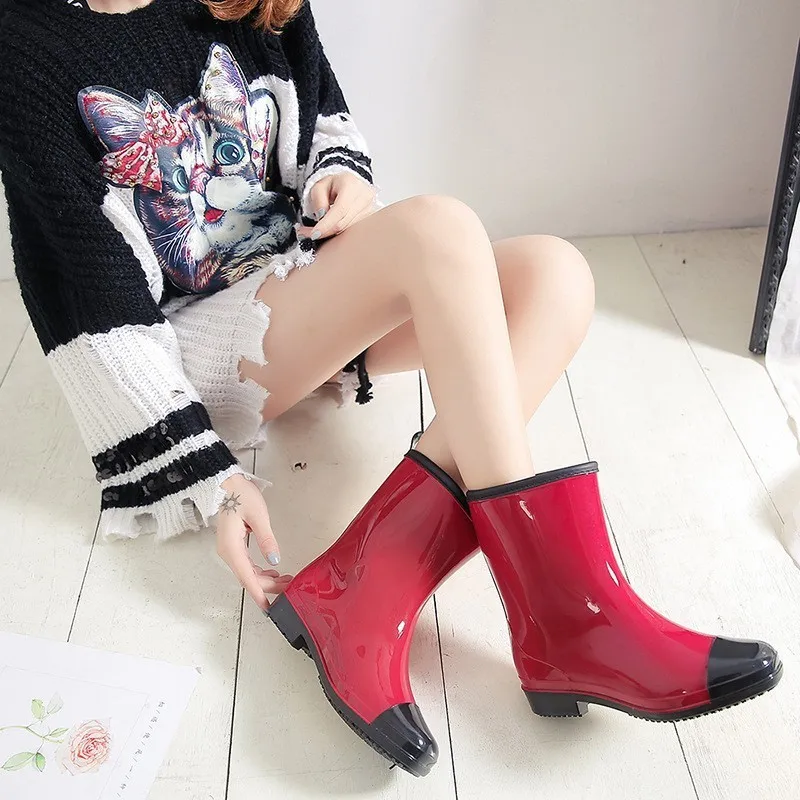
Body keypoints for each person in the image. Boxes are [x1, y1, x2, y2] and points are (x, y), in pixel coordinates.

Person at [0, 0, 782, 779]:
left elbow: (322, 118)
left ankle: (367, 586)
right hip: (185, 350)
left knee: (555, 276)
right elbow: (86, 297)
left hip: (299, 285)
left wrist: (339, 182)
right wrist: (212, 476)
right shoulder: (26, 44)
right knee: (439, 230)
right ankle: (567, 615)